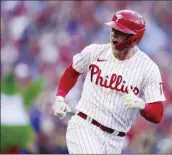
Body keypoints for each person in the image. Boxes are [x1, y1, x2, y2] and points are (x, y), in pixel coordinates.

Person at [52, 9, 166, 154]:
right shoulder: (95, 51)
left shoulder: (148, 68)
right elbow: (72, 71)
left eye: (121, 32)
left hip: (116, 141)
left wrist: (142, 105)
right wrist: (60, 97)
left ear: (135, 38)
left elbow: (158, 114)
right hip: (84, 127)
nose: (114, 34)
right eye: (114, 29)